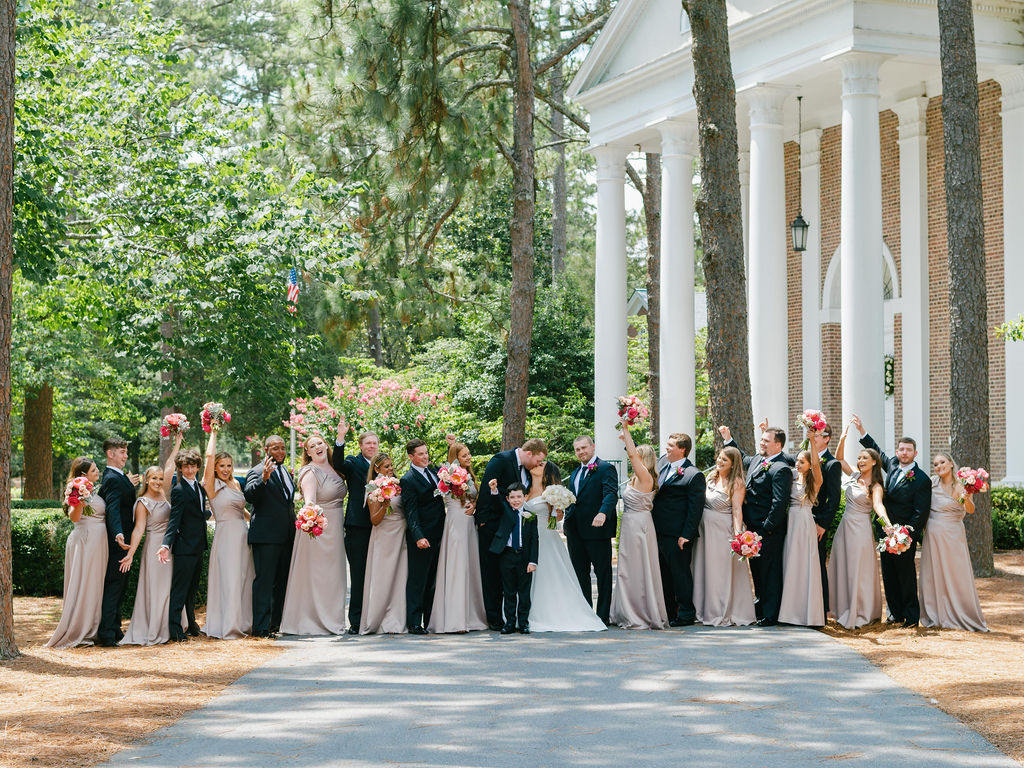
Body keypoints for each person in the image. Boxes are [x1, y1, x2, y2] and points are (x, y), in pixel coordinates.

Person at [856, 415, 931, 627]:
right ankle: (895, 613)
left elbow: (920, 512)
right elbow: (876, 451)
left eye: (908, 450)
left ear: (915, 453)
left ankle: (911, 616)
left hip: (903, 536)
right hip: (885, 533)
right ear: (897, 452)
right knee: (888, 574)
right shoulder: (893, 467)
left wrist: (906, 534)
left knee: (905, 575)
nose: (904, 453)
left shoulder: (922, 479)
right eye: (901, 449)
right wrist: (862, 431)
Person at [720, 424, 793, 626]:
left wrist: (767, 528)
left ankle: (771, 614)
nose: (762, 443)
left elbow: (779, 503)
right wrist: (728, 438)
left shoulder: (781, 469)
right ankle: (761, 607)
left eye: (766, 441)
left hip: (768, 531)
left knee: (770, 572)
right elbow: (742, 457)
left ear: (778, 445)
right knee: (758, 570)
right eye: (761, 440)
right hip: (752, 529)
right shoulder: (758, 460)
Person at [522, 459, 605, 633]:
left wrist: (557, 510)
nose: (536, 465)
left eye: (541, 464)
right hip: (527, 539)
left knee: (548, 575)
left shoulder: (551, 491)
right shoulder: (523, 485)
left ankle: (549, 613)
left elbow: (558, 517)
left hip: (546, 538)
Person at [279, 431, 348, 635]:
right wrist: (312, 518)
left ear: (326, 446)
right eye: (313, 446)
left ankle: (333, 618)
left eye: (320, 443)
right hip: (318, 529)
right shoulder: (310, 472)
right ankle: (314, 620)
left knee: (334, 576)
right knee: (319, 575)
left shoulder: (335, 469)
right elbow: (309, 501)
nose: (318, 447)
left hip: (336, 528)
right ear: (308, 453)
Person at [475, 438, 547, 630]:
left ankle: (515, 620)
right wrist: (482, 519)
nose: (538, 465)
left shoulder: (526, 470)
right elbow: (487, 488)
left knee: (509, 578)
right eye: (538, 460)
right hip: (492, 526)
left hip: (514, 530)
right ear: (529, 453)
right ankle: (495, 618)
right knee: (491, 574)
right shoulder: (501, 460)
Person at [121, 435, 184, 646]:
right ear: (146, 480)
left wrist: (177, 443)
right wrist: (130, 554)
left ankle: (170, 626)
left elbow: (170, 466)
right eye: (153, 478)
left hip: (169, 546)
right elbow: (138, 530)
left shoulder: (164, 494)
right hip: (153, 548)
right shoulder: (143, 502)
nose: (158, 481)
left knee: (169, 587)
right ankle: (155, 629)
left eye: (160, 478)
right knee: (157, 588)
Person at [827, 419, 888, 629]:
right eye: (859, 457)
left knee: (858, 568)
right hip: (845, 527)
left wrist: (887, 524)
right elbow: (839, 459)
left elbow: (879, 506)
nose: (860, 460)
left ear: (873, 462)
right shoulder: (853, 475)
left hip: (861, 529)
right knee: (843, 565)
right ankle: (842, 607)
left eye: (864, 458)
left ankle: (861, 610)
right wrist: (842, 440)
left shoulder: (876, 485)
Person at [918, 453, 987, 631]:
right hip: (933, 535)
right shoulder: (932, 484)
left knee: (956, 573)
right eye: (935, 464)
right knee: (934, 573)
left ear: (950, 464)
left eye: (942, 462)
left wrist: (967, 495)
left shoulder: (961, 484)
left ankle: (960, 613)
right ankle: (936, 614)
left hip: (953, 535)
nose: (938, 466)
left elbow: (970, 510)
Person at [46, 458, 108, 648]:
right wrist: (80, 499)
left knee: (96, 583)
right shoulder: (77, 490)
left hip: (99, 541)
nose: (98, 472)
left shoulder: (95, 490)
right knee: (84, 582)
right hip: (85, 541)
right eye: (94, 470)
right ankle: (80, 628)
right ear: (83, 475)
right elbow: (75, 517)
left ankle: (93, 626)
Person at [610, 425, 667, 630]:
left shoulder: (646, 478)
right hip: (629, 523)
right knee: (627, 568)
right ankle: (625, 609)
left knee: (638, 568)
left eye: (636, 456)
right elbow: (632, 455)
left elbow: (632, 456)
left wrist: (626, 430)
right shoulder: (636, 478)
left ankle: (639, 611)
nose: (632, 458)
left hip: (638, 526)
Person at [428, 436, 487, 633]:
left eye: (469, 454)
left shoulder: (469, 474)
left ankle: (471, 616)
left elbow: (473, 496)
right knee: (457, 566)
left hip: (469, 523)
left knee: (469, 567)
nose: (469, 457)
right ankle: (456, 619)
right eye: (465, 455)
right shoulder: (448, 475)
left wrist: (475, 505)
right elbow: (454, 494)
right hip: (456, 522)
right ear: (456, 458)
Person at [692, 444, 755, 627]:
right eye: (719, 457)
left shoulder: (737, 483)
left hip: (722, 533)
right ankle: (702, 609)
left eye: (724, 460)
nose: (719, 461)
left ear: (733, 463)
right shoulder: (710, 478)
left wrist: (738, 536)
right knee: (703, 568)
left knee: (719, 573)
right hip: (704, 533)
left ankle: (720, 610)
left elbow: (737, 510)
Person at [201, 430, 254, 639]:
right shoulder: (212, 485)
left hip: (242, 534)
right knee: (230, 578)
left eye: (229, 465)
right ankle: (229, 624)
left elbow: (242, 511)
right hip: (226, 536)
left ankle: (242, 622)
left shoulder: (236, 483)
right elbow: (208, 457)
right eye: (221, 466)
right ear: (214, 467)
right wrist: (213, 432)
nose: (225, 469)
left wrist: (254, 521)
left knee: (243, 578)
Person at [651, 431, 706, 626]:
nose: (666, 448)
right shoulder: (661, 465)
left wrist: (686, 535)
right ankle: (669, 612)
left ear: (682, 450)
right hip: (657, 531)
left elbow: (695, 509)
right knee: (664, 574)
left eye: (671, 445)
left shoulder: (694, 475)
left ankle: (686, 613)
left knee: (680, 574)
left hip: (677, 535)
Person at [244, 435, 296, 638]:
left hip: (287, 536)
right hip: (266, 537)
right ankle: (260, 627)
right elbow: (249, 495)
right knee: (264, 582)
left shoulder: (286, 472)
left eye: (283, 448)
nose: (281, 452)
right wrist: (264, 479)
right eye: (276, 448)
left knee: (281, 581)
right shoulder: (257, 471)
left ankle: (275, 623)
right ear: (266, 450)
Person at [563, 435, 618, 624]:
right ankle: (586, 614)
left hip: (597, 529)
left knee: (603, 574)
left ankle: (602, 616)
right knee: (580, 574)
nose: (581, 452)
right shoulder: (575, 473)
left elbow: (611, 493)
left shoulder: (605, 468)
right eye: (577, 449)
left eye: (584, 448)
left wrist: (603, 513)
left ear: (593, 447)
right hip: (574, 531)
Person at [158, 446, 209, 642]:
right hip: (184, 547)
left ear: (197, 467)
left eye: (193, 466)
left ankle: (192, 625)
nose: (189, 470)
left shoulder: (198, 487)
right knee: (180, 590)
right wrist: (165, 544)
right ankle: (175, 630)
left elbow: (196, 512)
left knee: (192, 589)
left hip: (198, 545)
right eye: (185, 467)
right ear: (180, 468)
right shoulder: (179, 490)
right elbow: (175, 519)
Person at [333, 427, 379, 634]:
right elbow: (338, 464)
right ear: (360, 446)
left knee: (378, 574)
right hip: (357, 526)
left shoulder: (382, 465)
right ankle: (357, 621)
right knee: (359, 574)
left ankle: (376, 617)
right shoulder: (353, 462)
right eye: (368, 443)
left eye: (374, 443)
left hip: (380, 527)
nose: (372, 446)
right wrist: (340, 438)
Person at [401, 438, 447, 634]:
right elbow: (410, 512)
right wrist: (418, 536)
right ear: (411, 456)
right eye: (420, 454)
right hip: (422, 536)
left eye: (426, 452)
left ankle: (429, 620)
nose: (425, 456)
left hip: (440, 532)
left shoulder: (435, 472)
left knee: (433, 580)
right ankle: (413, 622)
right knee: (418, 580)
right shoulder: (408, 479)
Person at [97, 436, 140, 646]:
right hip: (119, 542)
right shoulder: (112, 478)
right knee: (115, 585)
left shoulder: (118, 476)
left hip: (124, 539)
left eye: (125, 451)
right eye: (121, 452)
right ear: (110, 454)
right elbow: (112, 508)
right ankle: (106, 633)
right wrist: (118, 533)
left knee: (120, 585)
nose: (125, 456)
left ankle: (114, 628)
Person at [778, 442, 826, 627]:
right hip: (791, 521)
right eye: (797, 461)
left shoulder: (815, 481)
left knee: (805, 564)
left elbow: (816, 464)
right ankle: (789, 613)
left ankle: (808, 614)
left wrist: (813, 440)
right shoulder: (790, 476)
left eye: (802, 462)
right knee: (790, 563)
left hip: (805, 521)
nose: (798, 464)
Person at [360, 453, 408, 635]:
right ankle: (377, 620)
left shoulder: (398, 484)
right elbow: (374, 520)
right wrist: (384, 502)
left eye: (391, 465)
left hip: (400, 534)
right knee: (383, 578)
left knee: (399, 577)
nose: (390, 469)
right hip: (384, 536)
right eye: (386, 466)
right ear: (377, 469)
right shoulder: (373, 488)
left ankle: (396, 620)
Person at [490, 482, 538, 634]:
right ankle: (509, 622)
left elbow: (534, 540)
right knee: (509, 591)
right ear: (507, 499)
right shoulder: (505, 510)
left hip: (524, 557)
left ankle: (523, 622)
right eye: (512, 497)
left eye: (519, 497)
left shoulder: (531, 516)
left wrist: (533, 561)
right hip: (507, 555)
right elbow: (497, 502)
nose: (516, 500)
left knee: (524, 592)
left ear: (525, 497)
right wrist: (494, 490)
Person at [812, 425, 843, 619]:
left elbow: (834, 498)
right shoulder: (804, 458)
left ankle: (822, 608)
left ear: (827, 439)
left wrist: (823, 523)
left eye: (816, 436)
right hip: (800, 519)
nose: (813, 439)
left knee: (817, 563)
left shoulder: (832, 464)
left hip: (817, 523)